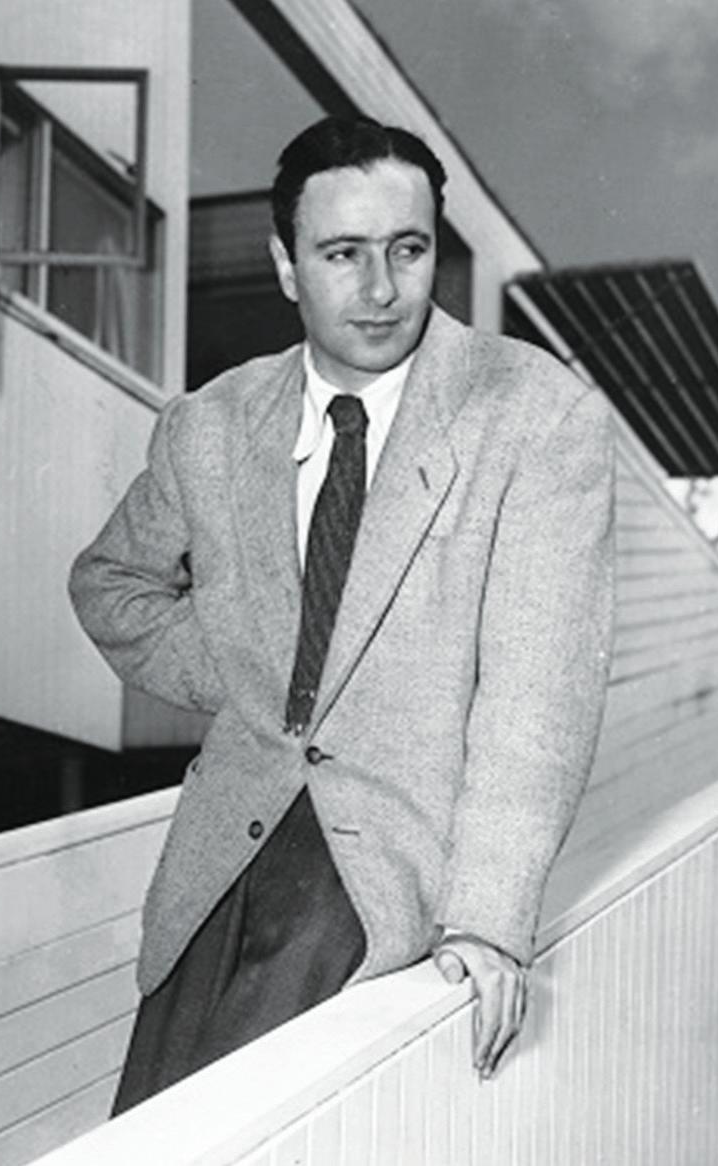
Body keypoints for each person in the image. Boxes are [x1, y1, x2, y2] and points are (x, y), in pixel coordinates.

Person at [69, 115, 615, 1115]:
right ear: (286, 264)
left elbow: (538, 696)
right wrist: (255, 673)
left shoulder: (535, 414)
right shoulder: (210, 424)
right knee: (150, 1132)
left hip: (385, 874)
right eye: (342, 254)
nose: (381, 289)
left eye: (408, 249)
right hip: (219, 867)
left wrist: (488, 920)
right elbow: (112, 585)